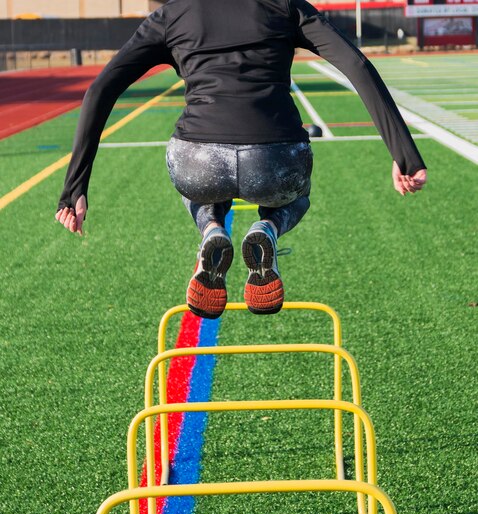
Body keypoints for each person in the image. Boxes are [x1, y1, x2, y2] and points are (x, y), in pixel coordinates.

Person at [55, 0, 427, 319]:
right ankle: (268, 228)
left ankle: (211, 229)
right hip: (275, 159)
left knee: (198, 184)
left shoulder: (173, 14)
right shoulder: (283, 5)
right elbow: (357, 65)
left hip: (198, 159)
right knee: (297, 193)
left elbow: (100, 89)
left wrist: (74, 189)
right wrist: (405, 156)